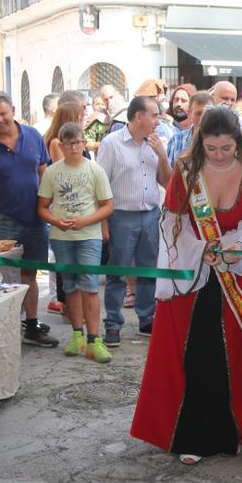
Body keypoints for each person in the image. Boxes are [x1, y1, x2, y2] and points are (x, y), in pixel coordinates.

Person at [130, 107, 242, 464]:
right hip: (192, 278)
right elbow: (171, 221)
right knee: (197, 353)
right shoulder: (186, 170)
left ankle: (232, 430)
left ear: (238, 142)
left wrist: (238, 246)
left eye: (227, 148)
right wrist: (198, 249)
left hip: (237, 279)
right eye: (211, 148)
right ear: (200, 142)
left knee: (234, 355)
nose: (219, 155)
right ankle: (193, 435)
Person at [0, 92, 58, 347]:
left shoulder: (32, 135)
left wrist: (48, 205)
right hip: (2, 219)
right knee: (4, 278)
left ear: (12, 110)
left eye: (3, 114)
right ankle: (5, 329)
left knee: (30, 274)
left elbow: (43, 171)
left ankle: (31, 325)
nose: (0, 120)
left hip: (35, 218)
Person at [97, 95, 171, 347]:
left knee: (148, 271)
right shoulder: (112, 143)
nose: (158, 121)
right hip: (121, 215)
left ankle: (146, 318)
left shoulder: (156, 143)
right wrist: (103, 222)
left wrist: (162, 155)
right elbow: (101, 185)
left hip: (151, 214)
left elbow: (167, 182)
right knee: (118, 271)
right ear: (138, 116)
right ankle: (113, 323)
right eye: (154, 115)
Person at [37, 122, 115, 362]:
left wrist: (86, 221)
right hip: (61, 237)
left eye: (78, 142)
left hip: (88, 236)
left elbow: (108, 205)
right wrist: (56, 221)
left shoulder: (95, 170)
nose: (73, 148)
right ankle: (77, 334)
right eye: (69, 143)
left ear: (84, 143)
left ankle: (94, 339)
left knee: (90, 287)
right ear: (60, 145)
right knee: (70, 287)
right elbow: (42, 207)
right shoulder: (52, 172)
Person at [168, 91, 212, 165]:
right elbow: (170, 171)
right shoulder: (176, 140)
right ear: (189, 113)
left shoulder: (221, 142)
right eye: (198, 113)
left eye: (207, 113)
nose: (203, 117)